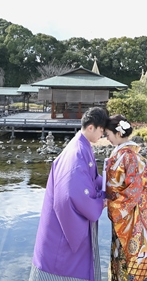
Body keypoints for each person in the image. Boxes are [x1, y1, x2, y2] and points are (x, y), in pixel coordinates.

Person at [30, 106, 109, 281]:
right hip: (62, 227)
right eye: (102, 131)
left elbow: (91, 178)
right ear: (91, 127)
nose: (102, 136)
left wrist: (107, 186)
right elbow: (69, 194)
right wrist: (98, 203)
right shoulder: (76, 152)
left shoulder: (81, 144)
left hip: (58, 220)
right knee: (62, 265)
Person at [103, 115, 147, 281]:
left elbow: (133, 190)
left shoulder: (128, 156)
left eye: (108, 134)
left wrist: (113, 204)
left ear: (118, 133)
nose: (107, 138)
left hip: (128, 214)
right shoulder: (124, 154)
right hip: (125, 213)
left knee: (130, 254)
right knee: (122, 253)